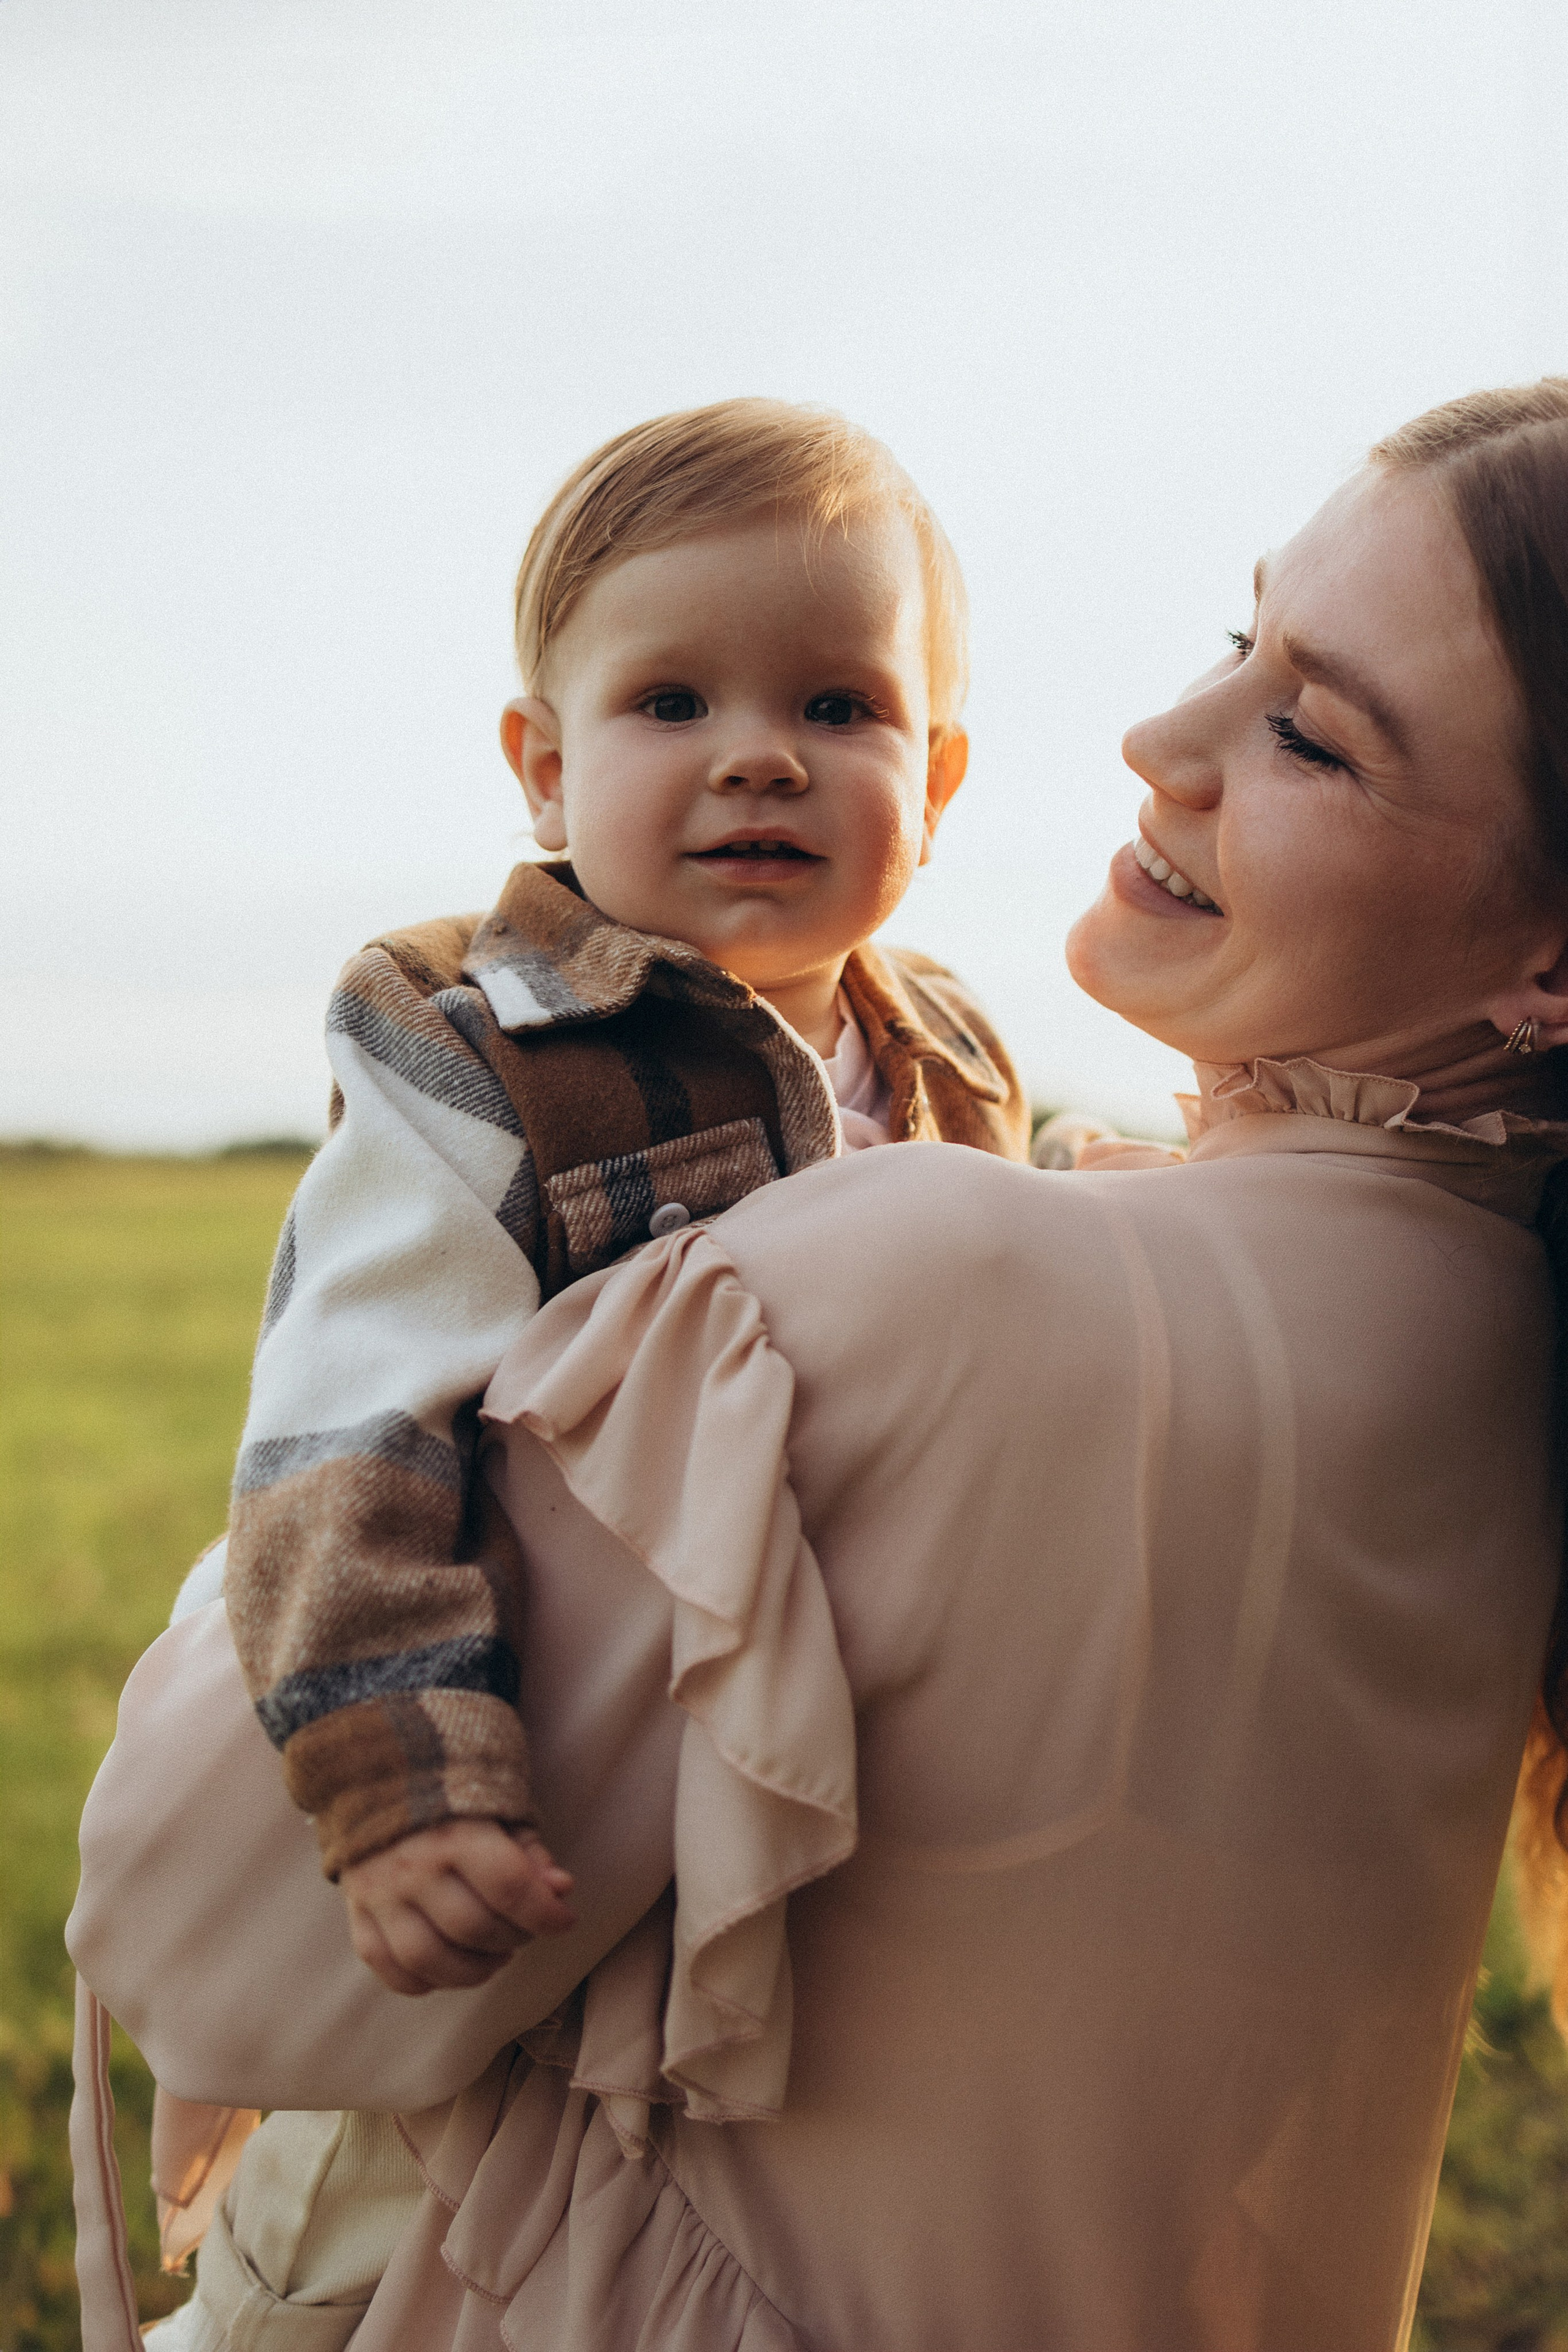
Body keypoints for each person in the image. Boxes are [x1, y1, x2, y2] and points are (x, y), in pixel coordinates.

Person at [72, 377, 1568, 2350]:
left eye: (1308, 729)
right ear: (545, 761)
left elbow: (210, 1939)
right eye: (1240, 639)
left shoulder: (915, 1270)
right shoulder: (1503, 1348)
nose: (1159, 739)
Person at [134, 396, 1029, 2309]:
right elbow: (348, 1422)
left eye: (842, 709)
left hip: (814, 1809)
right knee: (391, 2241)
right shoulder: (479, 1045)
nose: (760, 760)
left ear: (939, 777)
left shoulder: (949, 1056)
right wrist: (402, 1778)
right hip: (534, 1789)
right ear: (545, 770)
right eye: (673, 706)